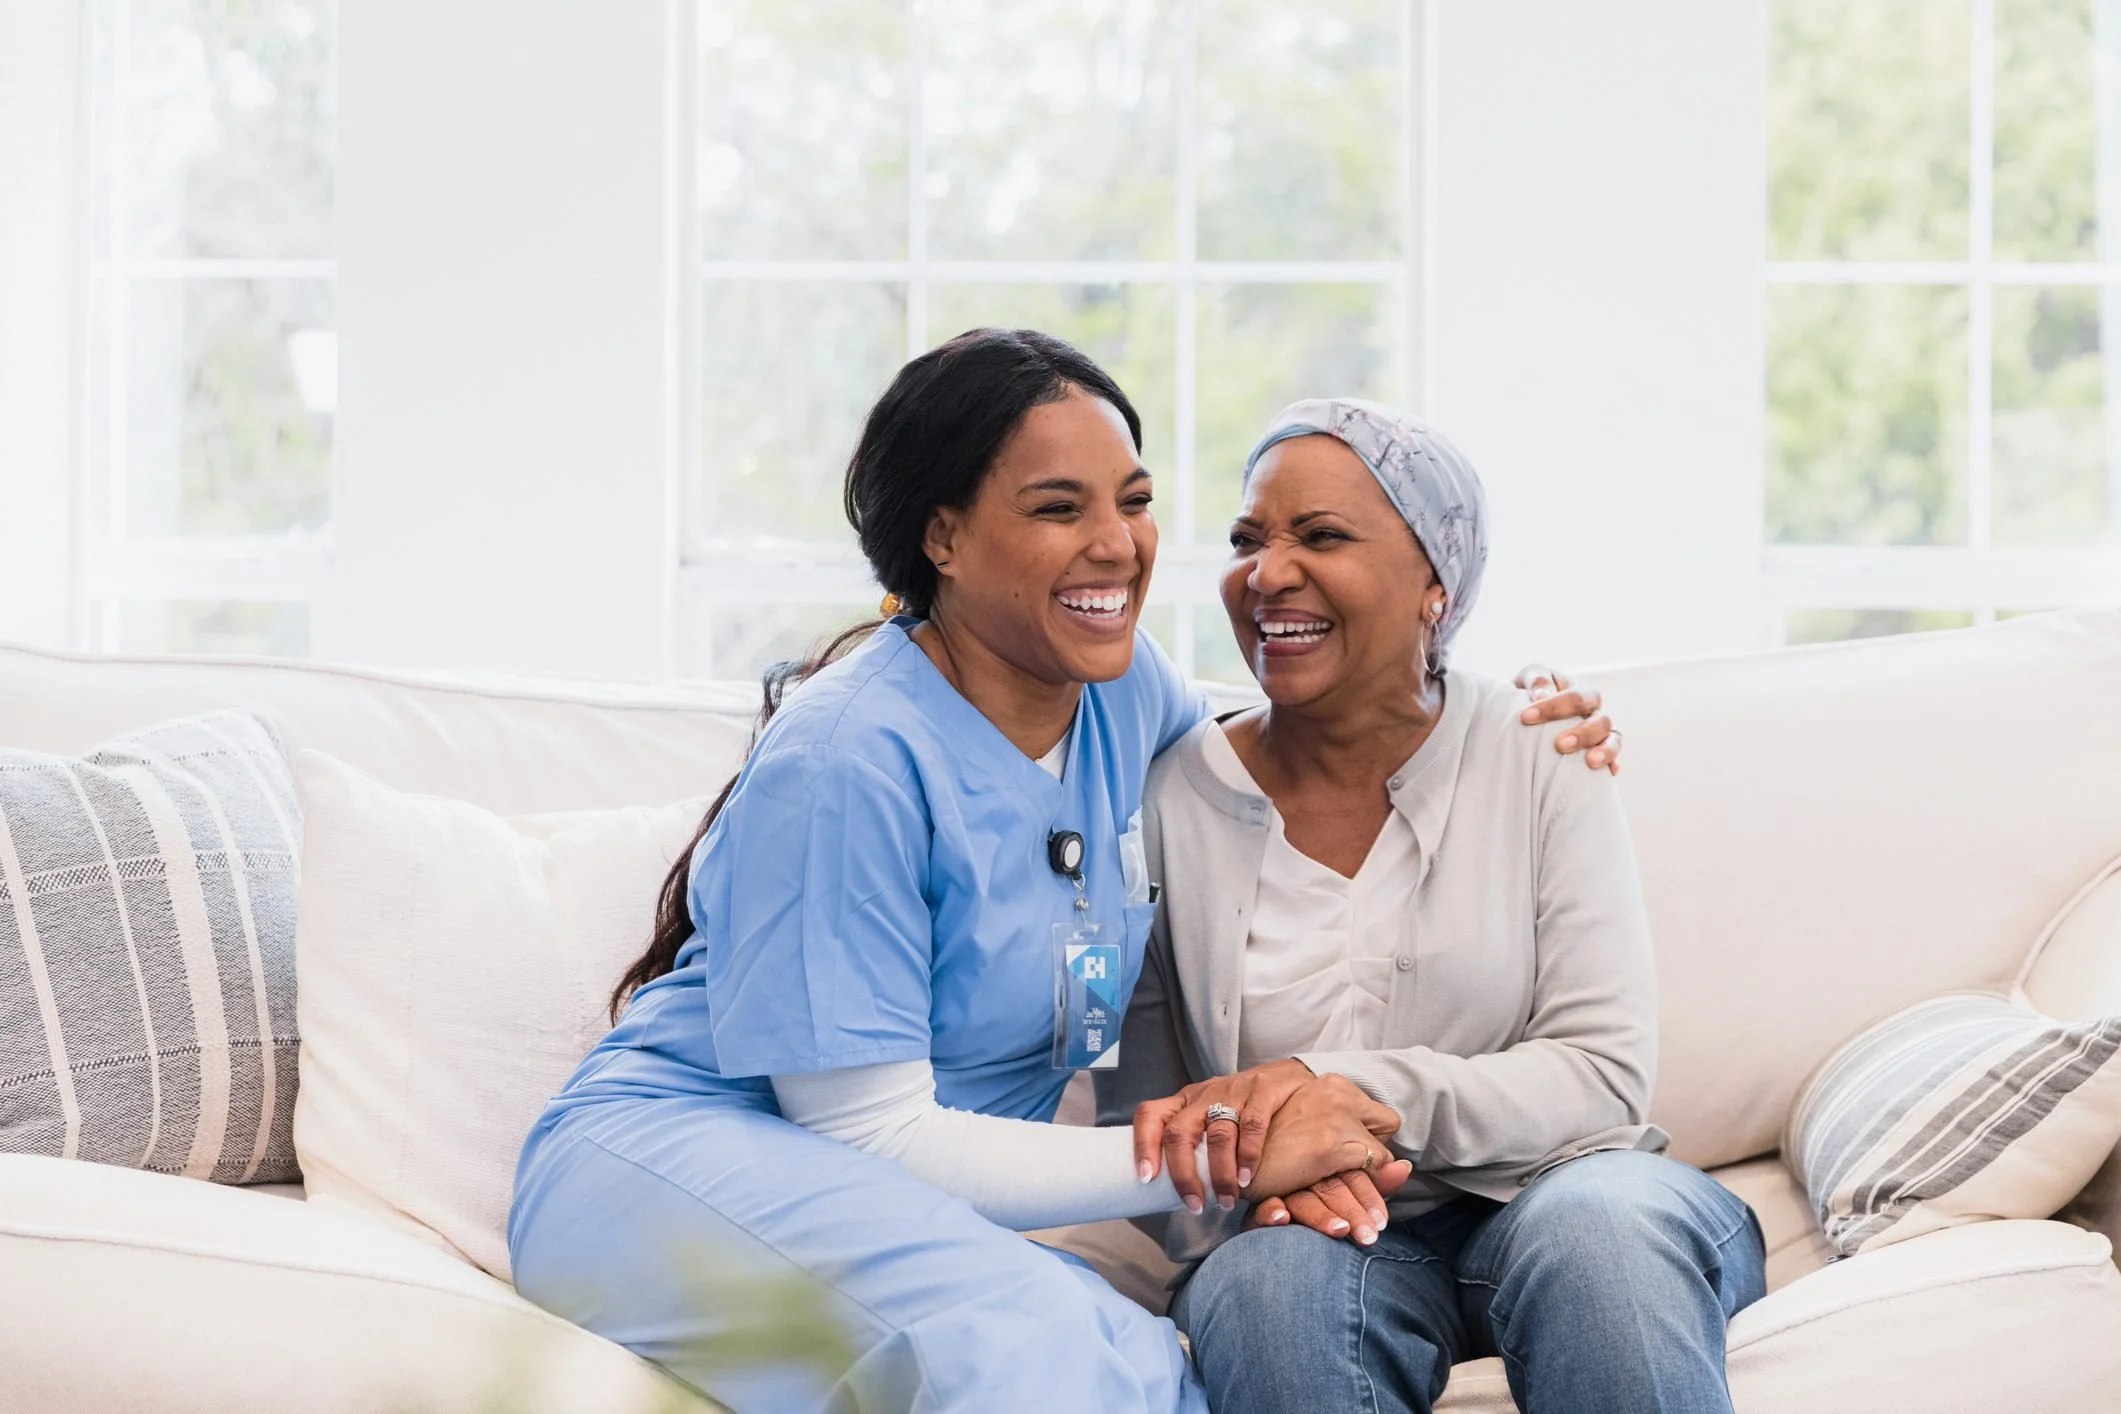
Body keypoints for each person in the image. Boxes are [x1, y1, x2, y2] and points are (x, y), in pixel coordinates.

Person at [507, 332, 1620, 1414]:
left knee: (1137, 1362)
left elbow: (1307, 733)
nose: (1116, 543)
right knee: (1035, 1352)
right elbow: (868, 1135)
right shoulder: (847, 757)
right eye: (1058, 508)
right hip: (677, 1172)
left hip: (906, 1202)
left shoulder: (1125, 694)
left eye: (1133, 502)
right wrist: (1231, 1159)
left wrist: (1502, 714)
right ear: (943, 537)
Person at [1098, 399, 1766, 1414]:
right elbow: (1151, 1109)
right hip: (1308, 1229)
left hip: (1568, 1184)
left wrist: (1340, 1094)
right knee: (1267, 1292)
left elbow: (1601, 1073)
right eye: (1248, 540)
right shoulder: (1168, 797)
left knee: (1603, 1245)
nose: (1267, 573)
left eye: (1320, 536)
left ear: (1436, 585)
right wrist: (1266, 1184)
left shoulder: (1545, 752)